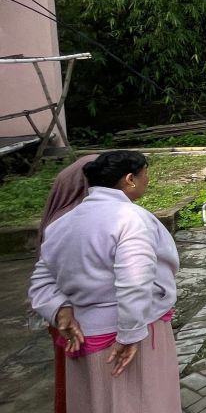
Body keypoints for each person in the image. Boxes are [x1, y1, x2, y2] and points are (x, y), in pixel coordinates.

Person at [29, 151, 181, 413]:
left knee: (95, 401)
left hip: (83, 333)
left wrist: (59, 310)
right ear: (130, 179)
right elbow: (134, 280)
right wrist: (129, 334)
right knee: (140, 401)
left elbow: (42, 277)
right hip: (127, 334)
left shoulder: (62, 224)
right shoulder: (130, 219)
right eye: (146, 174)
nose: (148, 180)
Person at [38, 155, 99, 413]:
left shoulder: (67, 216)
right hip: (79, 317)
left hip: (76, 314)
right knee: (88, 381)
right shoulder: (70, 223)